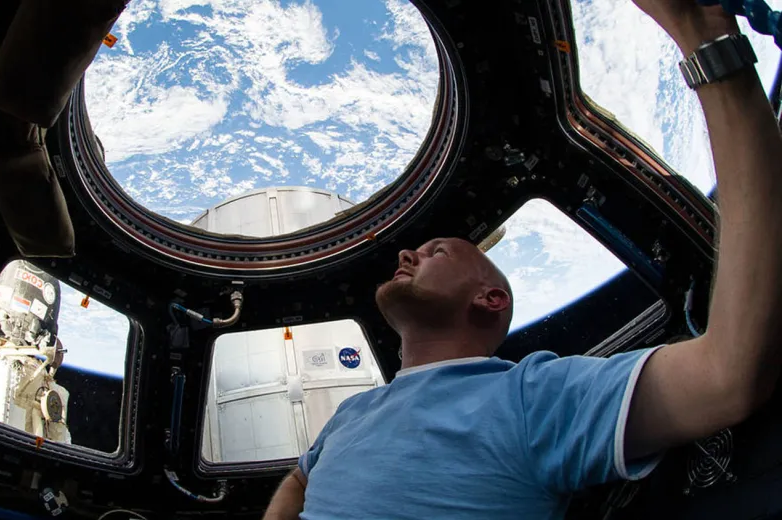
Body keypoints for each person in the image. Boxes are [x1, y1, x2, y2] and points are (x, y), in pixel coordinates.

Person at [263, 0, 782, 518]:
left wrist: (705, 40)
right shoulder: (352, 413)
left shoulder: (535, 397)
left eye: (435, 251)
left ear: (491, 299)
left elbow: (727, 376)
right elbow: (299, 476)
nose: (407, 251)